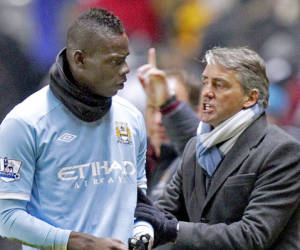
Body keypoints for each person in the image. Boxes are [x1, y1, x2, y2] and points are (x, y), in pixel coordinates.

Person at [0, 8, 153, 250]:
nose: (126, 69)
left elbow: (140, 202)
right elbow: (7, 220)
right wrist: (81, 243)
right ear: (80, 59)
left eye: (126, 59)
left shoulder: (131, 117)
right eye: (115, 60)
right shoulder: (24, 123)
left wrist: (143, 232)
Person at [135, 47, 300, 249]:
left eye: (219, 85)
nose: (207, 92)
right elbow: (163, 212)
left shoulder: (282, 151)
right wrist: (143, 224)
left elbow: (252, 236)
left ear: (250, 98)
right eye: (205, 82)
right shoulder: (195, 146)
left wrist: (174, 230)